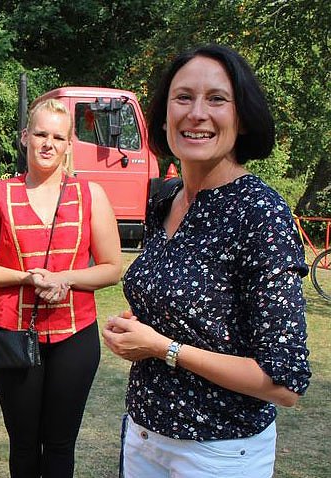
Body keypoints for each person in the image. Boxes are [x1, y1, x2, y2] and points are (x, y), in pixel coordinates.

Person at [100, 45, 311, 478]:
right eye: (183, 97)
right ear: (164, 116)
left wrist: (163, 347)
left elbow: (284, 382)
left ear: (242, 118)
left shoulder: (260, 212)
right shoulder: (164, 199)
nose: (197, 113)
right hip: (143, 436)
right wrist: (139, 330)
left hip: (217, 452)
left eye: (216, 99)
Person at [0, 97, 122, 477]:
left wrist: (66, 279)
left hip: (75, 336)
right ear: (25, 137)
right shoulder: (0, 194)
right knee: (23, 446)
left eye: (58, 137)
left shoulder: (90, 195)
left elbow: (112, 268)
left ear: (69, 144)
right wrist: (26, 277)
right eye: (40, 134)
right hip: (14, 335)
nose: (48, 144)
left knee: (60, 445)